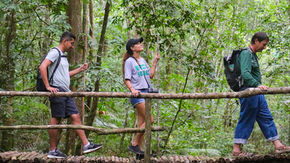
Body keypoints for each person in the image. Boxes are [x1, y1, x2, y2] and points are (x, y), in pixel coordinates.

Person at [39, 32, 102, 158]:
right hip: (57, 91)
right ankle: (52, 150)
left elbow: (64, 75)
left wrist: (80, 70)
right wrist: (48, 86)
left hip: (66, 91)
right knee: (56, 118)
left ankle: (86, 145)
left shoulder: (62, 56)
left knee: (75, 115)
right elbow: (42, 67)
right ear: (65, 41)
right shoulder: (55, 52)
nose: (72, 46)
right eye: (71, 43)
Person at [232, 32, 290, 156]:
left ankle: (278, 145)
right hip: (248, 90)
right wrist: (257, 85)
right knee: (247, 116)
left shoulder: (253, 55)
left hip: (257, 91)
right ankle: (236, 150)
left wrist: (258, 87)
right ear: (256, 41)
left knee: (266, 115)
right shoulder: (246, 53)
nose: (264, 47)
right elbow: (245, 73)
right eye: (263, 44)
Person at [122, 37, 160, 154]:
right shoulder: (129, 62)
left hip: (146, 93)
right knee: (150, 119)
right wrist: (132, 89)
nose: (140, 45)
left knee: (142, 123)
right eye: (137, 44)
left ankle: (140, 151)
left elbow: (151, 75)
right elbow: (127, 79)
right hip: (137, 94)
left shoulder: (142, 60)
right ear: (132, 48)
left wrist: (154, 62)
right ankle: (134, 144)